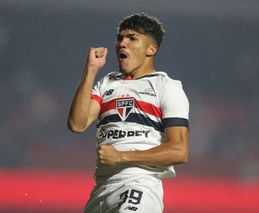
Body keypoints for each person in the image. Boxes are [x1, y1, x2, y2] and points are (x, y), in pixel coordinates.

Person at [68, 12, 189, 213]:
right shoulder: (107, 83)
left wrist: (122, 156)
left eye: (132, 38)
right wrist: (90, 70)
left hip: (139, 184)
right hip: (101, 188)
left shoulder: (167, 87)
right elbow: (77, 124)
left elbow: (179, 150)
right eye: (120, 38)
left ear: (151, 49)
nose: (122, 43)